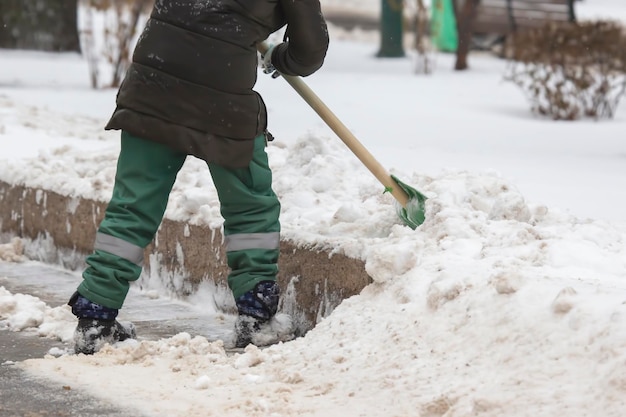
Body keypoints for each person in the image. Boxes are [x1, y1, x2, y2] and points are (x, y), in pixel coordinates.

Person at [67, 0, 329, 354]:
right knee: (249, 205)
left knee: (132, 207)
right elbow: (310, 49)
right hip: (221, 98)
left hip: (152, 84)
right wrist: (280, 58)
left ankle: (95, 318)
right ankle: (256, 317)